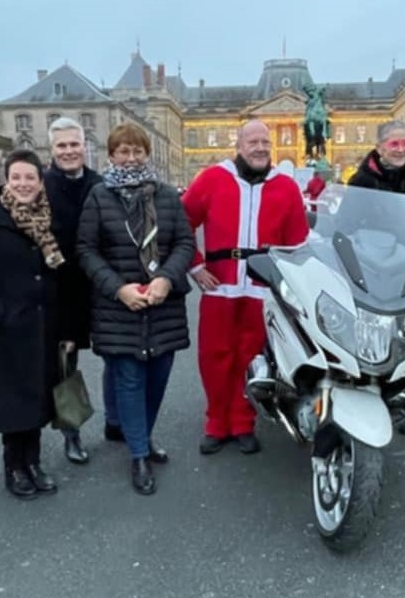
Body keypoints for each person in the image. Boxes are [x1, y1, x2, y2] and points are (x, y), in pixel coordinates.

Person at [77, 124, 195, 494]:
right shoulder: (99, 196)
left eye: (137, 151)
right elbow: (86, 250)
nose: (131, 158)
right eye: (123, 152)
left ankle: (140, 434)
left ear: (146, 154)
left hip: (163, 304)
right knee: (129, 378)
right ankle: (139, 454)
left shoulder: (166, 196)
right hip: (119, 306)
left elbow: (184, 243)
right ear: (111, 156)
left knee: (157, 377)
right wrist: (119, 289)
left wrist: (167, 280)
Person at [182, 120, 309, 455]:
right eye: (252, 141)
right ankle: (216, 422)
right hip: (220, 285)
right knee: (214, 355)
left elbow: (298, 243)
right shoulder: (212, 179)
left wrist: (288, 284)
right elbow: (182, 222)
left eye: (265, 141)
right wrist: (195, 265)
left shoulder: (286, 186)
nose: (260, 147)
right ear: (238, 145)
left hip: (261, 288)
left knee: (252, 358)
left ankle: (242, 421)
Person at [0, 149, 66, 500]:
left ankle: (33, 461)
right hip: (5, 325)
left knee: (37, 395)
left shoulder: (46, 214)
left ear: (40, 181)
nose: (23, 184)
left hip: (42, 321)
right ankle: (14, 466)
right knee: (12, 398)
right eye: (16, 177)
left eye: (30, 178)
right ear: (7, 180)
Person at [348, 119, 405, 433]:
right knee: (368, 329)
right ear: (380, 147)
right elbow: (346, 225)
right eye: (394, 144)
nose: (400, 149)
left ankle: (404, 396)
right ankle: (367, 391)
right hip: (369, 265)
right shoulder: (360, 180)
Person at [43, 117, 109, 465]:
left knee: (116, 354)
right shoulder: (40, 185)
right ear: (52, 150)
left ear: (85, 146)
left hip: (101, 285)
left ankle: (117, 422)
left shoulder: (101, 183)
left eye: (74, 144)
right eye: (61, 146)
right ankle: (72, 432)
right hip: (62, 290)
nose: (68, 151)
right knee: (65, 364)